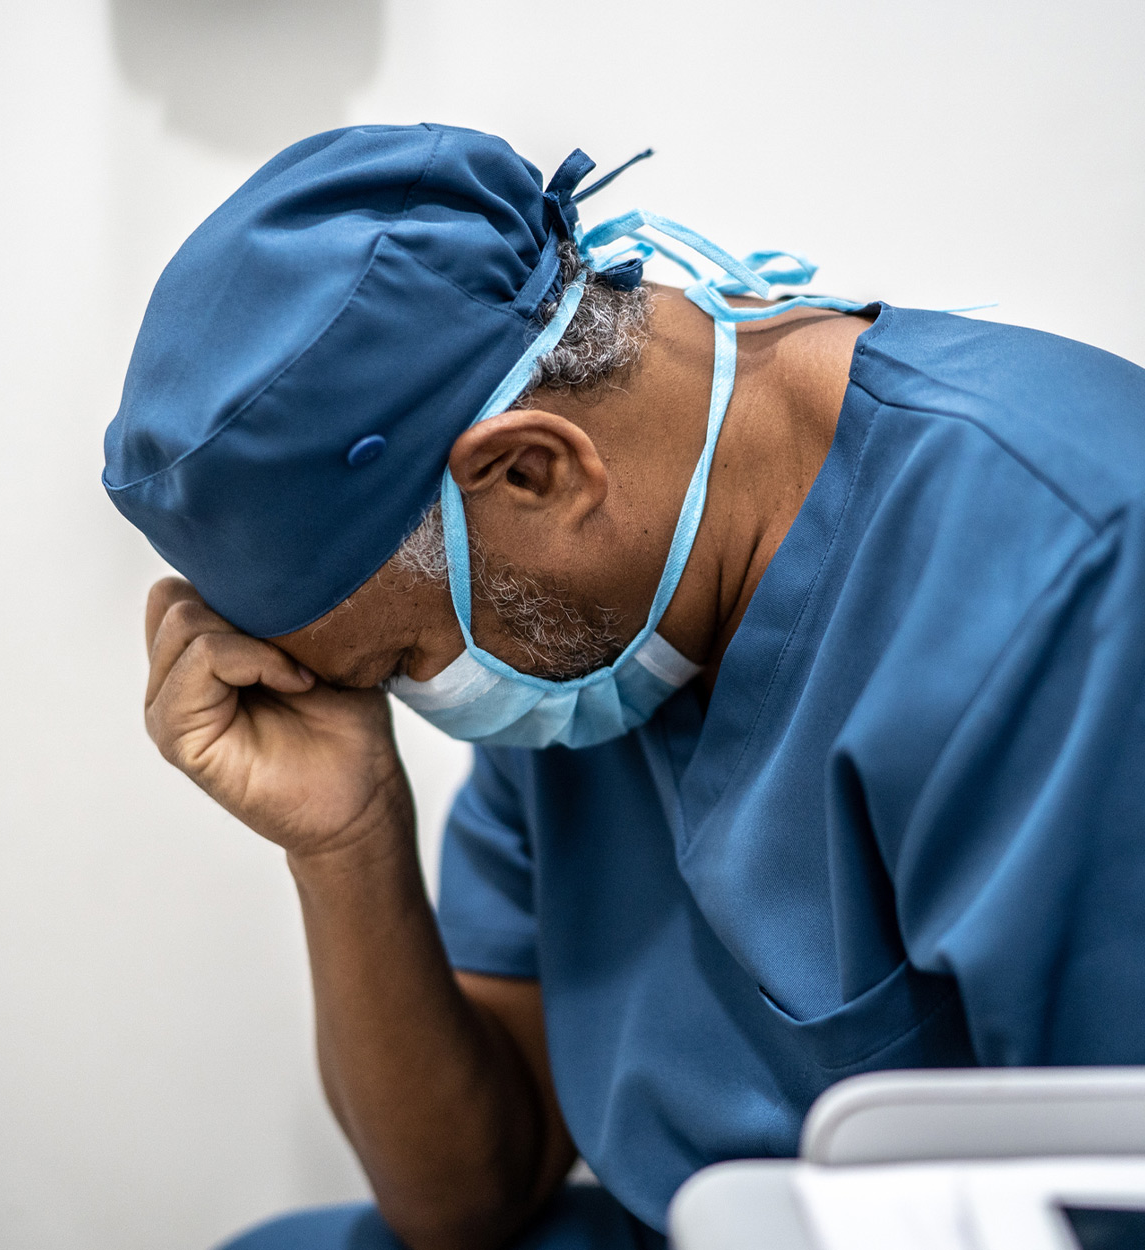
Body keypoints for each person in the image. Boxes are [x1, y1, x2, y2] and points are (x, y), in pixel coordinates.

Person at [103, 124, 1145, 1250]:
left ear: (534, 471)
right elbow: (468, 1198)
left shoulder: (1066, 569)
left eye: (402, 661)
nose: (430, 695)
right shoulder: (598, 621)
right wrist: (345, 838)